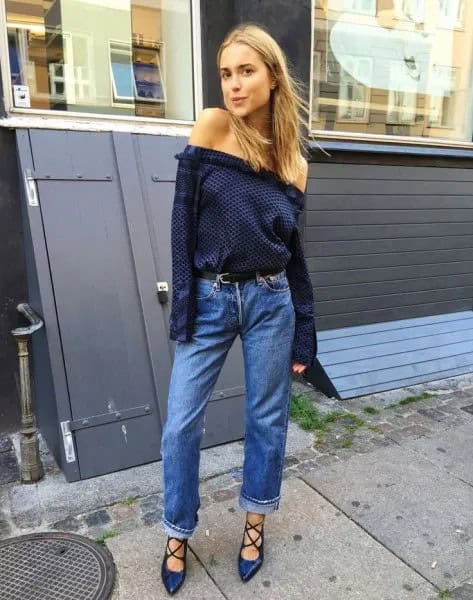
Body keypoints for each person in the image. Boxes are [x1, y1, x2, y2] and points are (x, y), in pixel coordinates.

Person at [160, 22, 317, 595]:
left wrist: (307, 333)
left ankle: (254, 526)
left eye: (246, 71)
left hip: (272, 300)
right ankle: (177, 531)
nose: (233, 84)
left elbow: (294, 255)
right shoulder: (212, 127)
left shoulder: (295, 163)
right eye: (226, 72)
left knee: (267, 421)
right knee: (180, 424)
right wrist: (183, 307)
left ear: (273, 78)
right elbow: (182, 225)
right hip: (210, 294)